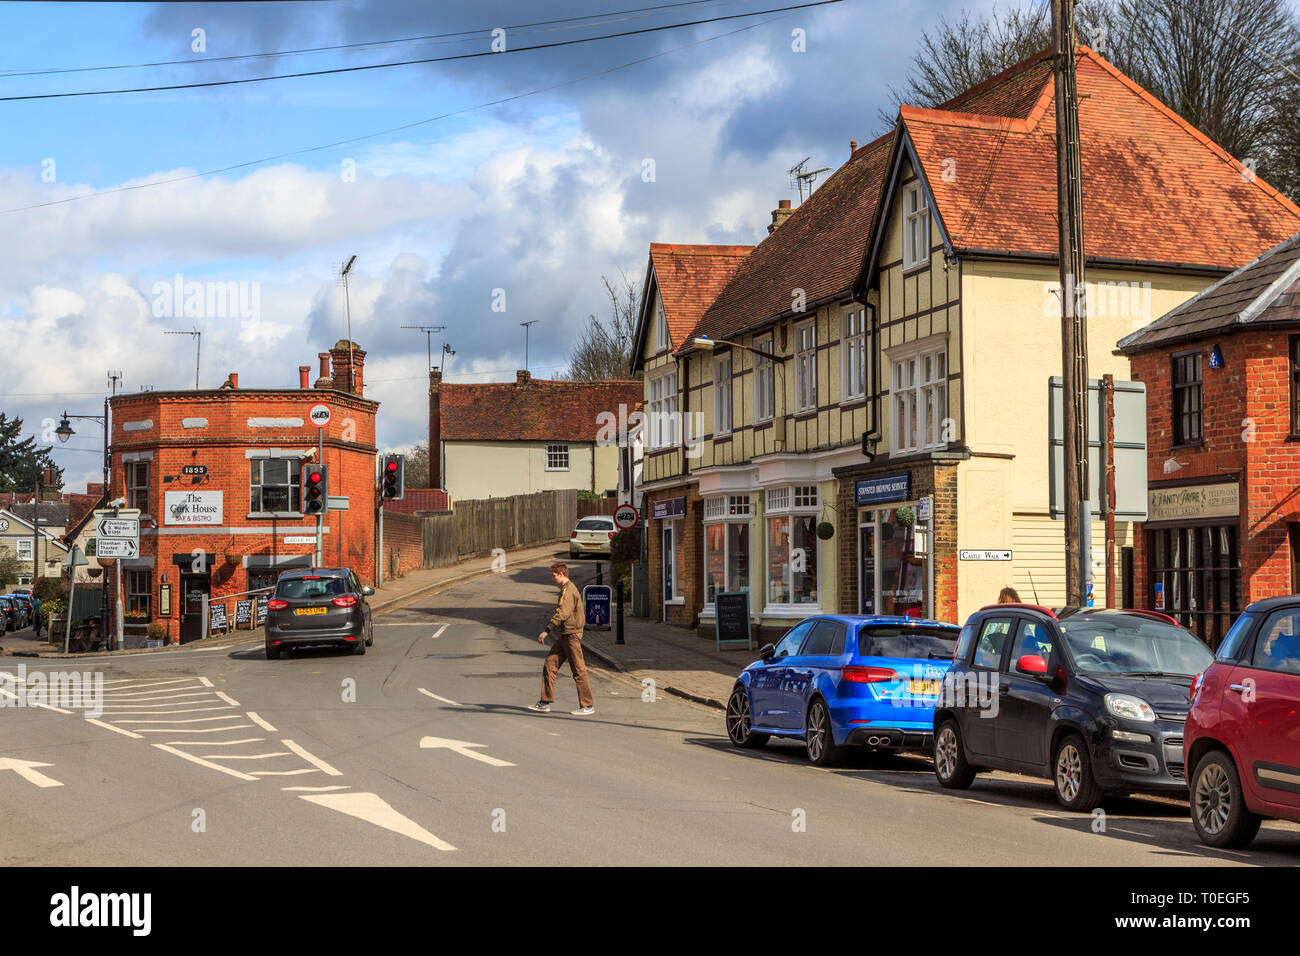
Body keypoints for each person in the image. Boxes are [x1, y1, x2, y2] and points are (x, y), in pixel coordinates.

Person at [530, 562, 595, 715]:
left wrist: (547, 630)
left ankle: (588, 705)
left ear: (561, 574)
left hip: (571, 635)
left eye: (554, 575)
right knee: (550, 665)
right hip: (565, 634)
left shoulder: (569, 591)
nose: (552, 578)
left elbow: (563, 613)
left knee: (579, 670)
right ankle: (545, 702)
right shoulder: (566, 589)